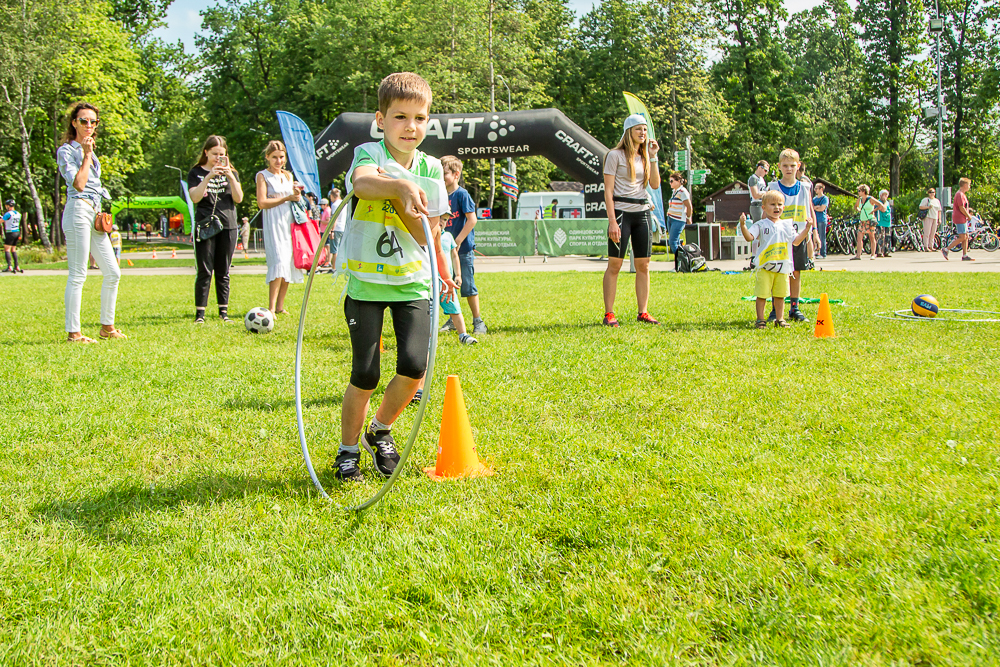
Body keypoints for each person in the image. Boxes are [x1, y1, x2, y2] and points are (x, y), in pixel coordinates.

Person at [332, 72, 456, 482]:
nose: (411, 127)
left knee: (415, 367)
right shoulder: (368, 153)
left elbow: (429, 232)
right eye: (400, 117)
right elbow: (364, 184)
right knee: (365, 372)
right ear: (381, 119)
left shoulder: (433, 168)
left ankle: (379, 430)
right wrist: (399, 187)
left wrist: (442, 271)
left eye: (420, 118)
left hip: (413, 281)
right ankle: (347, 450)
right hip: (367, 282)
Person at [56, 101, 125, 342]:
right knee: (78, 273)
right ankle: (74, 333)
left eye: (93, 121)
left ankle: (107, 327)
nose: (88, 125)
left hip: (94, 214)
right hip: (77, 211)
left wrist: (89, 154)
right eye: (83, 120)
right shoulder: (66, 150)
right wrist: (86, 155)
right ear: (74, 123)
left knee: (113, 271)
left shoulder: (92, 150)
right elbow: (79, 184)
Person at [601, 114, 661, 327]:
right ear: (629, 132)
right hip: (621, 213)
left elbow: (654, 185)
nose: (642, 133)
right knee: (615, 264)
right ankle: (609, 313)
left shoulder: (645, 156)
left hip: (642, 212)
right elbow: (608, 191)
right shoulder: (614, 155)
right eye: (638, 129)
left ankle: (643, 312)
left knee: (643, 265)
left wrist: (653, 157)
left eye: (645, 130)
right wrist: (612, 222)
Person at [188, 135, 244, 324]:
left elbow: (239, 198)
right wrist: (209, 175)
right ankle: (200, 313)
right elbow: (195, 197)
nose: (218, 158)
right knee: (204, 269)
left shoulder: (232, 173)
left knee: (223, 270)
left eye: (222, 154)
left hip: (228, 225)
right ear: (206, 152)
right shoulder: (196, 172)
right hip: (206, 225)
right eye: (214, 154)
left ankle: (223, 312)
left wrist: (229, 175)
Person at [739, 190, 814, 328]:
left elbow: (796, 241)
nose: (776, 207)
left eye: (779, 204)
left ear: (784, 207)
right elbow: (749, 237)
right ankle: (760, 319)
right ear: (764, 207)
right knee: (761, 295)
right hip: (765, 267)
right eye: (772, 204)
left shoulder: (786, 225)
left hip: (782, 267)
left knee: (780, 295)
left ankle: (780, 319)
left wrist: (807, 228)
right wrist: (743, 226)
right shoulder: (761, 224)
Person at [766, 148, 815, 322]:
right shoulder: (772, 187)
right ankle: (775, 309)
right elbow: (766, 211)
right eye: (785, 165)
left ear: (798, 166)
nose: (789, 169)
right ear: (779, 166)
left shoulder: (805, 187)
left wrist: (813, 232)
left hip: (798, 236)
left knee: (795, 272)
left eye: (792, 165)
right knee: (778, 272)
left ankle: (795, 308)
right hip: (778, 237)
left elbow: (810, 209)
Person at [440, 155, 487, 335]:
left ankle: (478, 321)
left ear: (456, 174)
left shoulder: (462, 194)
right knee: (448, 284)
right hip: (444, 251)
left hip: (463, 250)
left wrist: (458, 241)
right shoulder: (441, 195)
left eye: (444, 173)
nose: (441, 177)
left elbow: (472, 220)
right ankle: (453, 319)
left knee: (467, 285)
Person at [256, 140, 303, 315]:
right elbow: (262, 202)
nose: (278, 161)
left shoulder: (288, 176)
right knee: (278, 262)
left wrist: (296, 195)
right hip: (273, 222)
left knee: (289, 263)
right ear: (267, 157)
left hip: (289, 221)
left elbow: (293, 199)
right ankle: (270, 307)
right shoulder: (263, 176)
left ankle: (280, 306)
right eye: (274, 157)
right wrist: (286, 198)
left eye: (281, 157)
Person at [943, 177, 974, 261]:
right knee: (962, 237)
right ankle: (946, 249)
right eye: (969, 185)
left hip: (962, 218)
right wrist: (968, 215)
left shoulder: (962, 194)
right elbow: (961, 208)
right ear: (964, 185)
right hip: (960, 218)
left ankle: (965, 255)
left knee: (966, 236)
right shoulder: (959, 194)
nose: (969, 186)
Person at [851, 184, 886, 261]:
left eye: (859, 191)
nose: (858, 192)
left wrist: (873, 211)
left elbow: (881, 205)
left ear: (864, 191)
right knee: (859, 237)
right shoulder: (859, 199)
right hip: (862, 221)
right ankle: (858, 255)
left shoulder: (870, 199)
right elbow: (856, 206)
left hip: (870, 220)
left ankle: (873, 254)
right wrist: (859, 210)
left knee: (871, 236)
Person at [665, 172, 692, 255]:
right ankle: (681, 262)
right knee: (676, 242)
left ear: (678, 181)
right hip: (671, 218)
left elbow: (689, 206)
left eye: (672, 181)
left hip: (678, 219)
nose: (670, 183)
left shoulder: (682, 192)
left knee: (672, 242)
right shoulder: (674, 192)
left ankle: (680, 261)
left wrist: (688, 218)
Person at [328, 187, 348, 270]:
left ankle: (334, 267)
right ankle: (341, 266)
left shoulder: (335, 204)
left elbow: (334, 218)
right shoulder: (344, 203)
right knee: (341, 248)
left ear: (332, 196)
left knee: (334, 249)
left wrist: (331, 230)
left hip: (336, 228)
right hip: (343, 228)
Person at [3, 199, 22, 273]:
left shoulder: (8, 213)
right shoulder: (18, 213)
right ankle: (16, 266)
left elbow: (2, 220)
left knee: (7, 249)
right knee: (13, 250)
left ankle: (9, 266)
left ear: (8, 206)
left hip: (10, 232)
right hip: (17, 232)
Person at [812, 182, 829, 258]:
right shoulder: (814, 199)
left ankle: (823, 253)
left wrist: (816, 207)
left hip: (822, 219)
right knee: (814, 237)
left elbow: (822, 208)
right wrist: (816, 207)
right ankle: (815, 251)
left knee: (822, 237)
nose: (815, 190)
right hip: (815, 219)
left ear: (821, 189)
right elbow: (811, 207)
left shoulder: (824, 198)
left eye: (816, 188)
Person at [875, 189, 893, 257]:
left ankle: (886, 251)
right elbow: (883, 209)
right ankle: (879, 252)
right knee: (880, 237)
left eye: (886, 195)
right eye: (884, 195)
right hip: (880, 222)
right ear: (880, 195)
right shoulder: (878, 202)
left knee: (887, 237)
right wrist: (885, 202)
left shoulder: (887, 202)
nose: (885, 196)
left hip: (887, 222)